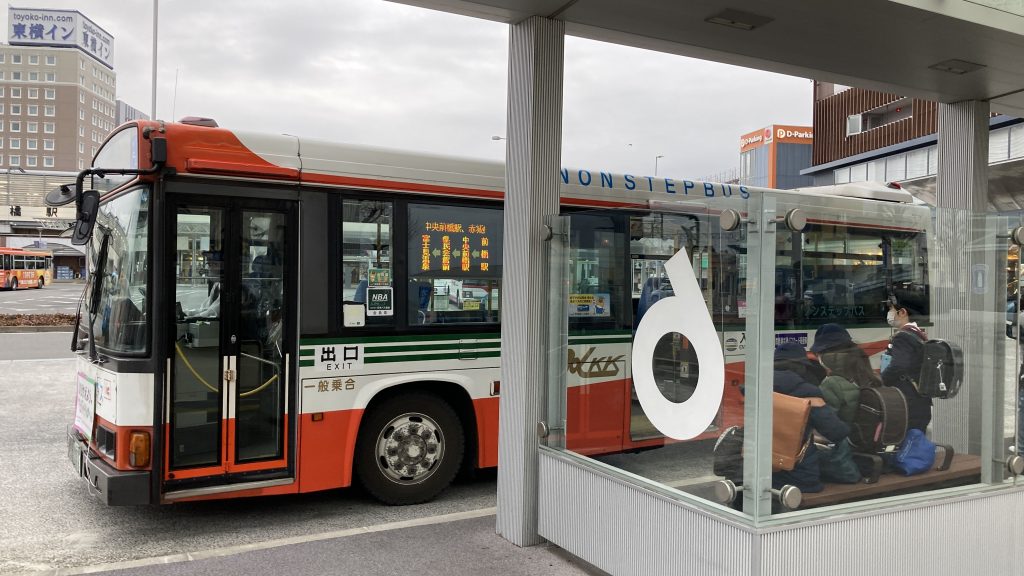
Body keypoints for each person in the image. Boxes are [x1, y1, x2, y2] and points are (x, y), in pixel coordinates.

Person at [772, 342, 853, 493]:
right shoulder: (806, 392)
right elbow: (836, 431)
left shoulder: (756, 387)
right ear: (802, 366)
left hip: (758, 472)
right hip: (798, 477)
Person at [811, 323, 881, 425]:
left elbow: (825, 423)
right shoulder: (873, 376)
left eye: (818, 354)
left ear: (827, 356)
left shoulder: (831, 383)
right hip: (873, 436)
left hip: (848, 438)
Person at [881, 301, 930, 431]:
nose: (889, 315)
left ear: (902, 312)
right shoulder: (919, 334)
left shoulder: (902, 336)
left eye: (891, 310)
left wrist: (881, 380)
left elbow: (899, 365)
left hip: (907, 400)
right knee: (916, 442)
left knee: (905, 442)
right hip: (920, 398)